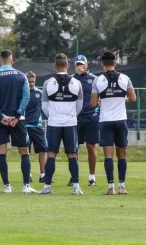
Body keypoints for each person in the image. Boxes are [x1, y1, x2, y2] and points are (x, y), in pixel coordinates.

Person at [0, 49, 35, 194]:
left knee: (2, 151)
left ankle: (7, 186)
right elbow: (26, 97)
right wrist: (17, 115)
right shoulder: (21, 76)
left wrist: (1, 117)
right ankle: (26, 186)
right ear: (12, 61)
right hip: (18, 120)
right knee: (24, 151)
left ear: (0, 61)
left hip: (2, 120)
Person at [91, 51, 136, 195]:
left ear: (102, 65)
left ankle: (111, 188)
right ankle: (122, 187)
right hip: (120, 120)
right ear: (115, 63)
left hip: (106, 121)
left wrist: (101, 102)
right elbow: (133, 98)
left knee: (108, 156)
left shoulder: (97, 80)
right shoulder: (125, 78)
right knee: (122, 155)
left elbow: (93, 103)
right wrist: (123, 100)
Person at [39, 54, 84, 195]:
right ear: (68, 65)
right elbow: (80, 106)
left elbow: (44, 106)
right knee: (72, 154)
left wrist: (54, 116)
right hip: (70, 123)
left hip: (54, 124)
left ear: (55, 66)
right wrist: (70, 116)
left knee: (51, 154)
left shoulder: (47, 83)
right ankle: (76, 187)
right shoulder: (77, 83)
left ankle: (47, 187)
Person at [71, 54, 99, 187]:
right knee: (73, 148)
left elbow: (101, 97)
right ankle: (74, 176)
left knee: (91, 147)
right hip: (75, 118)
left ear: (87, 65)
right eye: (77, 64)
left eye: (82, 64)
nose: (80, 66)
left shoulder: (95, 79)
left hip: (91, 117)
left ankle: (92, 177)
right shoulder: (70, 80)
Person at [24, 71, 47, 183]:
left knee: (43, 150)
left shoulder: (40, 93)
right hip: (24, 127)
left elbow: (47, 107)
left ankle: (43, 175)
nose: (31, 83)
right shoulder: (21, 93)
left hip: (37, 127)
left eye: (33, 81)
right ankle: (28, 175)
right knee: (25, 151)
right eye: (29, 81)